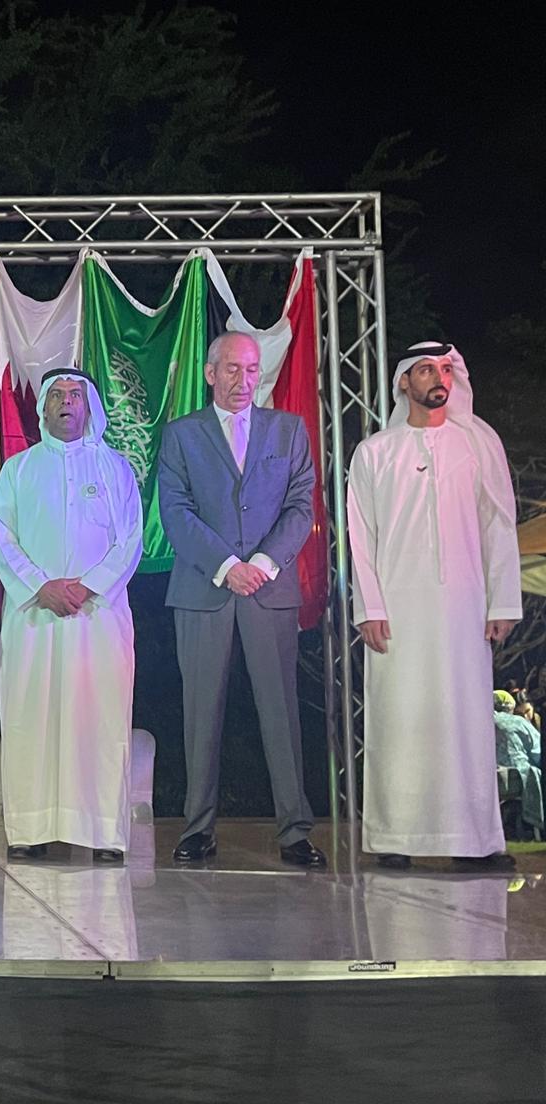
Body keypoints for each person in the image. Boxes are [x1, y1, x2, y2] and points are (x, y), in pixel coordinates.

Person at [347, 342, 523, 870]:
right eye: (426, 369)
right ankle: (396, 838)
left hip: (466, 606)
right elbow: (361, 536)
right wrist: (368, 607)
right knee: (399, 718)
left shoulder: (478, 445)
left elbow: (499, 523)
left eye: (445, 369)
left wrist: (503, 600)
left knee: (466, 721)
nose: (437, 377)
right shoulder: (376, 452)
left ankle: (472, 842)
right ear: (405, 381)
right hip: (397, 611)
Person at [157, 331, 326, 868]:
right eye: (231, 369)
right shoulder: (182, 435)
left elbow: (301, 506)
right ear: (210, 373)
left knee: (281, 712)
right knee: (200, 713)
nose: (242, 380)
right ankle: (198, 828)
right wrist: (228, 567)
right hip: (204, 590)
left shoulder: (288, 429)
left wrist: (264, 565)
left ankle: (295, 831)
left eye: (251, 370)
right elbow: (176, 511)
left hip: (268, 590)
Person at [0, 368, 143, 862]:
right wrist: (42, 586)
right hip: (35, 617)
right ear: (44, 409)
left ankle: (101, 833)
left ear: (89, 406)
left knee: (98, 719)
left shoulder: (114, 468)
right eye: (56, 395)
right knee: (31, 717)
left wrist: (86, 587)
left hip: (99, 618)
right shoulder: (18, 469)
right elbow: (2, 536)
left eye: (75, 395)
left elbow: (130, 542)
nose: (65, 403)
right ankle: (32, 830)